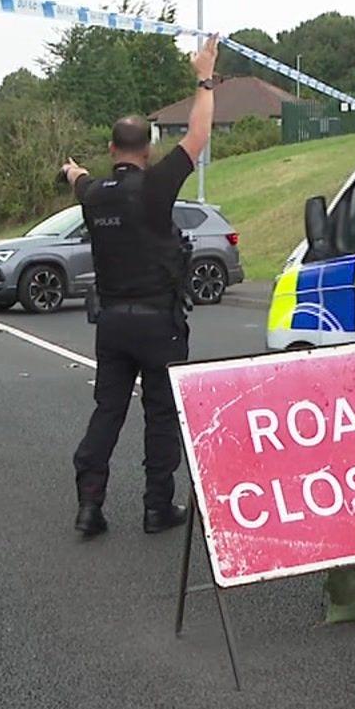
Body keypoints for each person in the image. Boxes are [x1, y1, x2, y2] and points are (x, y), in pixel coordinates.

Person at [59, 35, 219, 537]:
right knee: (159, 413)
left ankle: (90, 506)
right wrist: (204, 76)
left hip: (111, 323)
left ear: (112, 150)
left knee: (108, 410)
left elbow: (79, 178)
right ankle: (157, 507)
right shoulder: (157, 184)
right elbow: (199, 132)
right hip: (158, 323)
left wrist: (70, 169)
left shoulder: (95, 195)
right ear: (147, 150)